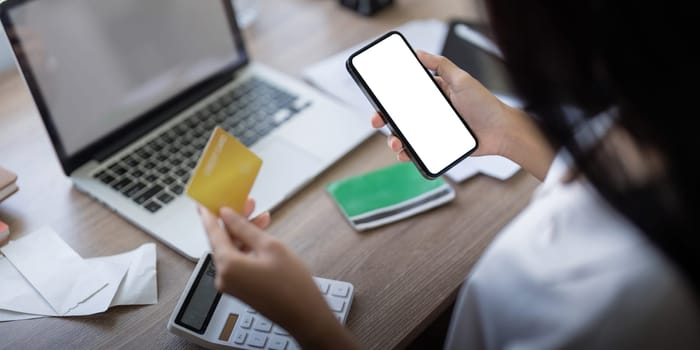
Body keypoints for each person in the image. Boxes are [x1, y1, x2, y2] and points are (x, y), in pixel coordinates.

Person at [198, 0, 700, 348]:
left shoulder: (586, 293)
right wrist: (506, 130)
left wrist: (308, 322)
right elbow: (617, 183)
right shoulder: (658, 126)